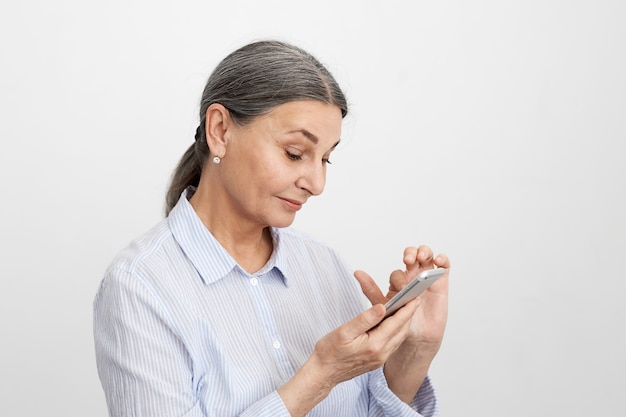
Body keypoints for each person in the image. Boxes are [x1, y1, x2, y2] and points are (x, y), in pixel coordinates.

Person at [93, 39, 450, 417]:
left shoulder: (323, 265)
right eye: (295, 153)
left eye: (326, 159)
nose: (316, 183)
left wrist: (415, 349)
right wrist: (319, 376)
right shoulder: (140, 286)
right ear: (220, 130)